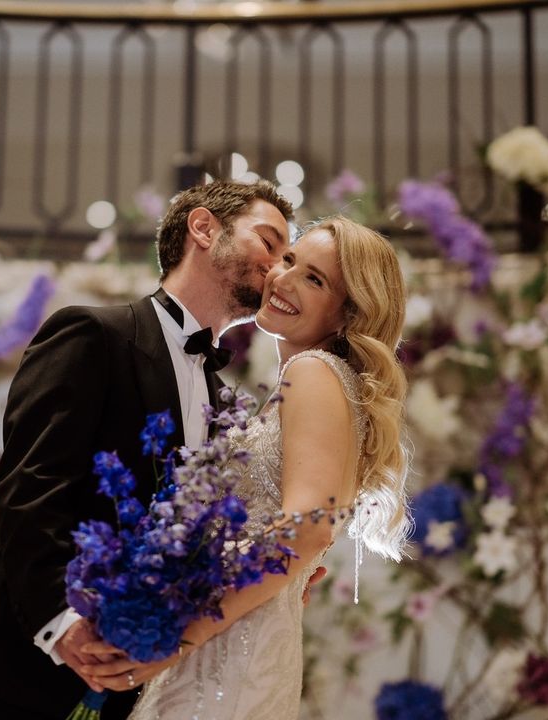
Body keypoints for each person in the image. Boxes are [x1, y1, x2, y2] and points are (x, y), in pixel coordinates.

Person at [0, 179, 294, 720]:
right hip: (12, 664)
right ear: (203, 228)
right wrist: (62, 621)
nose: (278, 268)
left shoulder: (223, 400)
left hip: (123, 680)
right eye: (268, 242)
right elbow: (31, 485)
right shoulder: (91, 333)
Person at [81, 215, 411, 719]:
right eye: (290, 260)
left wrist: (175, 639)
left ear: (348, 316)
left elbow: (307, 529)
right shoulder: (322, 383)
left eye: (314, 280)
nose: (283, 279)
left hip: (227, 658)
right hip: (243, 642)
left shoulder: (314, 372)